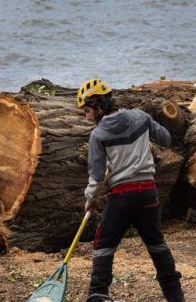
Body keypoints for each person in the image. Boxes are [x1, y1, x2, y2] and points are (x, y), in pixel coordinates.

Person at [76, 78, 185, 302]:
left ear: (98, 107)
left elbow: (96, 177)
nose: (86, 117)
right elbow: (165, 139)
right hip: (148, 193)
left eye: (87, 111)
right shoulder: (141, 117)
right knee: (156, 243)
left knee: (103, 244)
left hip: (122, 196)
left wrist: (90, 199)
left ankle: (98, 295)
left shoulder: (98, 135)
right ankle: (175, 296)